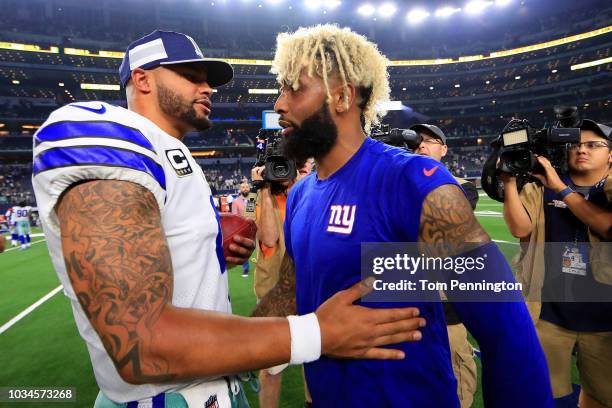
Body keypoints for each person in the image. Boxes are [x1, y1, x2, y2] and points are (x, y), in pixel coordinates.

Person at [31, 30, 425, 407]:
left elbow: (479, 288)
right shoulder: (106, 132)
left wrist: (194, 248)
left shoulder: (176, 158)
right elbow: (140, 345)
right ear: (142, 79)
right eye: (190, 76)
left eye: (207, 80)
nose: (207, 89)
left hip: (216, 389)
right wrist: (316, 333)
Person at [259, 24, 553, 407]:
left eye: (294, 88)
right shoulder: (299, 195)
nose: (280, 104)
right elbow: (287, 297)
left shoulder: (410, 180)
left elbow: (506, 328)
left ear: (343, 96)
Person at [501, 120, 612, 408]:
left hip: (605, 318)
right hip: (550, 314)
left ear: (610, 154)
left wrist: (561, 189)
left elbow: (608, 226)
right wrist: (509, 182)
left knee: (602, 394)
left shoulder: (600, 189)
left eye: (593, 144)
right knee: (544, 393)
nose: (581, 150)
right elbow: (520, 229)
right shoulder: (542, 186)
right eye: (575, 144)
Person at [410, 123, 478, 408]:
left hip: (446, 307)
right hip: (403, 306)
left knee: (456, 388)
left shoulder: (463, 187)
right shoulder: (392, 185)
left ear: (444, 149)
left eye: (431, 140)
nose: (422, 144)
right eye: (417, 141)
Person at [251, 158, 313, 408]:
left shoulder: (314, 193)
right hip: (275, 292)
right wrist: (264, 188)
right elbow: (268, 237)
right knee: (272, 369)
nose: (290, 173)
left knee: (315, 360)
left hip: (310, 289)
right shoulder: (265, 197)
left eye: (301, 168)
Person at [231, 181, 252, 277]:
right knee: (245, 249)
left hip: (254, 227)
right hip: (243, 228)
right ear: (240, 189)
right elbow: (235, 216)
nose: (245, 189)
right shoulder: (235, 202)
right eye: (243, 187)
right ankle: (246, 269)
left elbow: (252, 214)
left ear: (249, 188)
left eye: (246, 187)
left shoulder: (252, 199)